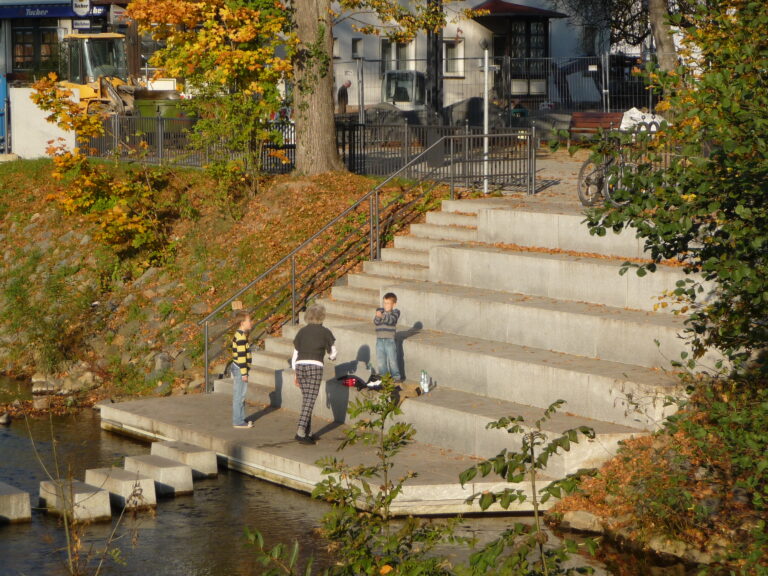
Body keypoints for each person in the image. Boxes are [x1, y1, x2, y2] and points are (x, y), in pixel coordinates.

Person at [292, 304, 337, 445]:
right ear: (322, 317)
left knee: (307, 399)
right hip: (315, 366)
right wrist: (332, 358)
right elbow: (333, 353)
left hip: (300, 366)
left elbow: (295, 353)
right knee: (310, 400)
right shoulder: (325, 332)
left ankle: (308, 432)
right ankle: (300, 431)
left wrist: (295, 373)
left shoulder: (302, 331)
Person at [230, 310, 253, 429]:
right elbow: (241, 357)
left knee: (240, 395)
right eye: (249, 320)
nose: (251, 322)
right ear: (242, 323)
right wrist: (244, 373)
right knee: (239, 395)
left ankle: (240, 418)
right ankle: (238, 421)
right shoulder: (241, 338)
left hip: (238, 367)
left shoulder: (240, 335)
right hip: (240, 369)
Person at [373, 292, 401, 381]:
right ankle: (384, 377)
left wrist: (382, 316)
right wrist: (378, 316)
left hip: (390, 340)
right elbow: (376, 322)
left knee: (392, 360)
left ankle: (396, 377)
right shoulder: (380, 311)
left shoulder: (395, 313)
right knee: (381, 361)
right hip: (379, 340)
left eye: (388, 303)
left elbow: (391, 320)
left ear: (394, 304)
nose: (386, 305)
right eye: (384, 303)